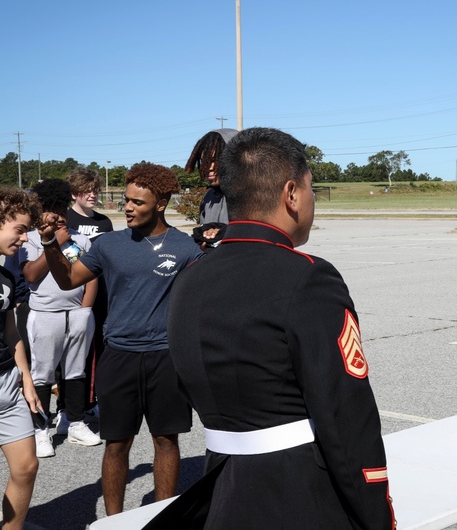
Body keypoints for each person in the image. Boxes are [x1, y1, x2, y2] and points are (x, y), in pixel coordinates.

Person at [165, 127, 394, 529]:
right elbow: (345, 413)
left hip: (220, 487)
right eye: (310, 190)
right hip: (301, 491)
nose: (311, 201)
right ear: (290, 194)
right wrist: (375, 513)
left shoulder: (190, 277)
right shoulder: (307, 278)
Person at [37, 162, 203, 515]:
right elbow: (68, 279)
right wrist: (51, 242)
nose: (127, 207)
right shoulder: (109, 244)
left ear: (160, 203)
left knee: (165, 440)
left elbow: (209, 297)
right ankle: (114, 520)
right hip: (119, 357)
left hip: (165, 358)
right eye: (125, 200)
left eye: (137, 203)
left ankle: (163, 515)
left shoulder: (186, 248)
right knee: (116, 445)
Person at [0, 187, 43, 529]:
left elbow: (11, 331)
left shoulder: (5, 276)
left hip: (7, 382)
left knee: (26, 466)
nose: (24, 240)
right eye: (19, 230)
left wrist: (26, 379)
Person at [21, 179, 101, 457]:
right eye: (50, 209)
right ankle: (41, 430)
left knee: (76, 371)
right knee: (42, 374)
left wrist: (85, 310)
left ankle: (74, 421)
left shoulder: (80, 238)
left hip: (77, 313)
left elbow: (89, 276)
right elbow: (31, 274)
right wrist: (54, 243)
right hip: (45, 314)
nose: (56, 215)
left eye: (60, 208)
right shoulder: (29, 239)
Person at [65, 168, 113, 423]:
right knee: (72, 351)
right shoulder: (66, 220)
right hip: (74, 292)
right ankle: (68, 406)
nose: (93, 195)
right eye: (87, 190)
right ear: (75, 193)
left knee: (98, 348)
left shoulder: (104, 222)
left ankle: (93, 401)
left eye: (95, 189)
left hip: (101, 293)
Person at [185, 128, 238, 248]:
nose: (209, 167)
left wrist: (225, 233)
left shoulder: (252, 194)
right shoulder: (209, 197)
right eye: (205, 161)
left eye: (214, 160)